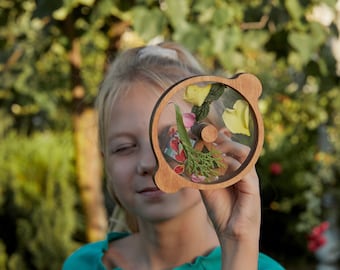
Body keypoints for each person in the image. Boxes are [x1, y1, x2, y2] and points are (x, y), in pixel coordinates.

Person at [63, 42, 284, 270]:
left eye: (174, 140)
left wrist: (238, 245)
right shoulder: (82, 264)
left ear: (218, 149)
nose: (149, 164)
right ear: (105, 161)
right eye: (124, 147)